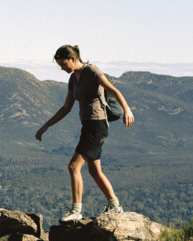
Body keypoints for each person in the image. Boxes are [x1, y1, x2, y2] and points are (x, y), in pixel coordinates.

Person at [36, 45, 135, 222]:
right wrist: (46, 125)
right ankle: (115, 206)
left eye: (64, 64)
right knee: (95, 171)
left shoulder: (92, 71)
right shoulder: (74, 79)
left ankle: (76, 210)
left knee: (73, 167)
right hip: (88, 126)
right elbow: (66, 108)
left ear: (73, 59)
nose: (62, 68)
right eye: (60, 65)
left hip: (97, 126)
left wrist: (127, 110)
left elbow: (114, 90)